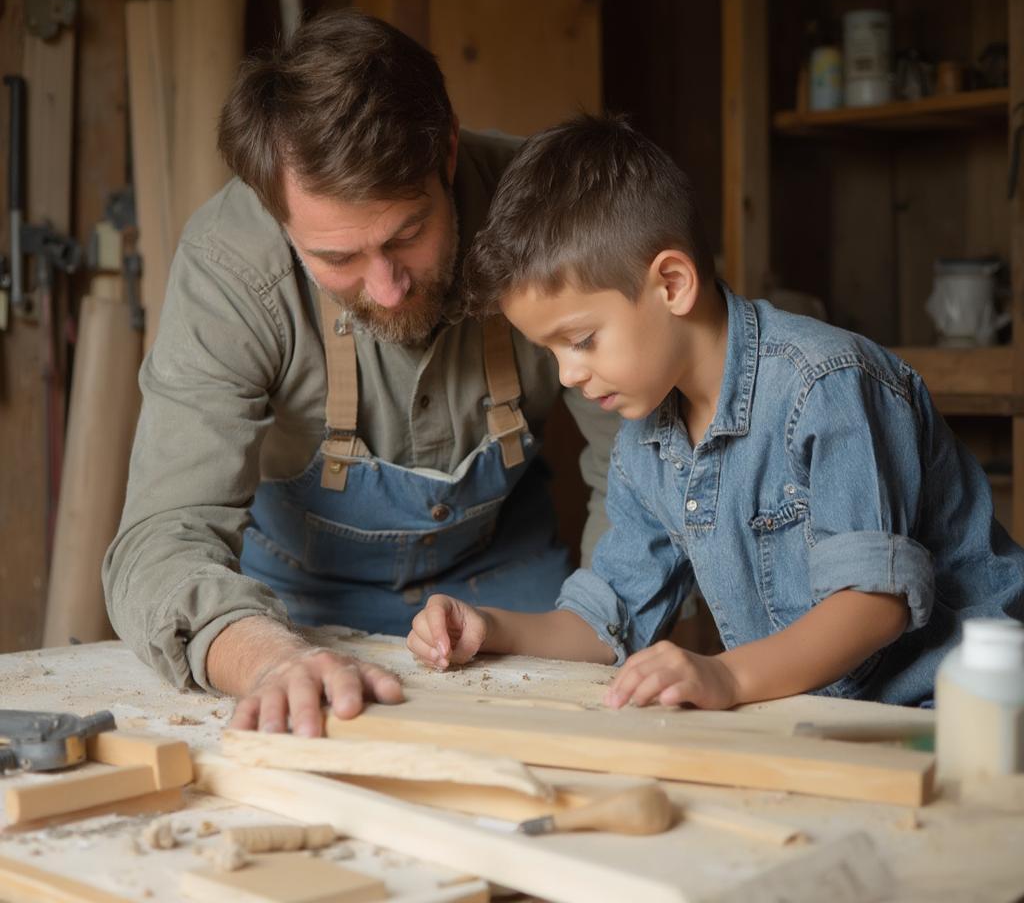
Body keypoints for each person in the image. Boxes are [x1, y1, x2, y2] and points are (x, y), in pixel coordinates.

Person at [102, 11, 619, 736]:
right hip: (299, 604)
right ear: (276, 213)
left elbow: (644, 464)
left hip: (512, 595)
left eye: (407, 235)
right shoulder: (229, 265)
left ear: (446, 153)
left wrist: (602, 622)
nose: (386, 289)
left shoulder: (550, 215)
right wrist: (263, 658)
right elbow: (159, 537)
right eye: (338, 259)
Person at [406, 114, 1024, 708]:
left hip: (965, 707)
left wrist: (723, 677)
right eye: (550, 352)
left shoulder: (827, 385)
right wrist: (489, 627)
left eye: (582, 340)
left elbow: (873, 603)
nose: (568, 374)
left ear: (672, 283)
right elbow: (607, 618)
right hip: (821, 723)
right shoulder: (644, 441)